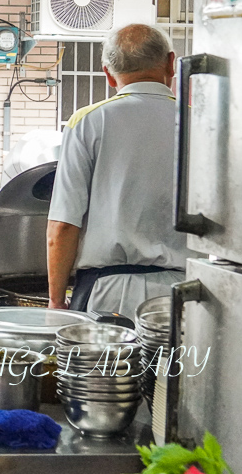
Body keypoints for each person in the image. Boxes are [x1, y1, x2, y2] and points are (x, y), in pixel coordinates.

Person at [46, 23, 189, 314]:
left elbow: (63, 225)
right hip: (187, 293)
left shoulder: (88, 121)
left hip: (106, 292)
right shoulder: (200, 122)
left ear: (108, 74)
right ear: (172, 64)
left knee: (107, 363)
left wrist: (56, 301)